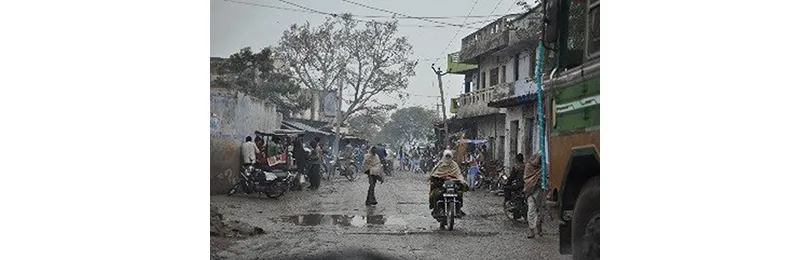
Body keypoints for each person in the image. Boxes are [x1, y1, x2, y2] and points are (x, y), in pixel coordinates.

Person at [429, 150, 468, 217]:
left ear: (451, 157)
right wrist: (437, 178)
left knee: (459, 193)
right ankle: (436, 210)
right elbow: (434, 174)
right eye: (446, 156)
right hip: (441, 185)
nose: (447, 158)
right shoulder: (440, 164)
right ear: (443, 156)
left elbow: (458, 174)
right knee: (437, 193)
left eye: (449, 156)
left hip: (453, 184)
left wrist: (461, 181)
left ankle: (458, 209)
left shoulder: (454, 165)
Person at [523, 153, 547, 239]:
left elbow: (547, 178)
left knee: (541, 211)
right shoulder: (529, 166)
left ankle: (539, 228)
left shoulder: (543, 167)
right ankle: (532, 230)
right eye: (539, 159)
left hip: (540, 191)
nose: (539, 161)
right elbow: (527, 178)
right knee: (531, 210)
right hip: (530, 191)